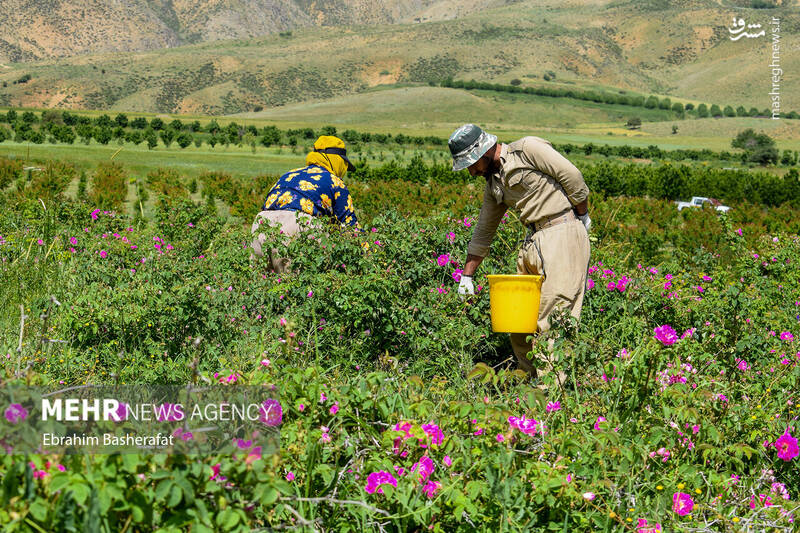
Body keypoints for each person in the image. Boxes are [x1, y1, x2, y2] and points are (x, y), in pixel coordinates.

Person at [448, 124, 591, 380]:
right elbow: (484, 230)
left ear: (485, 150)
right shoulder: (493, 183)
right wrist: (467, 277)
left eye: (472, 164)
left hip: (561, 233)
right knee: (519, 320)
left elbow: (572, 176)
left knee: (553, 321)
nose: (471, 172)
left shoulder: (527, 150)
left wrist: (582, 215)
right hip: (532, 242)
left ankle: (550, 399)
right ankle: (527, 386)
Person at [251, 135, 359, 272]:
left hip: (261, 223)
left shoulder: (289, 174)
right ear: (337, 161)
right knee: (299, 287)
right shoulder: (335, 181)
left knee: (260, 284)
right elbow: (350, 226)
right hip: (297, 225)